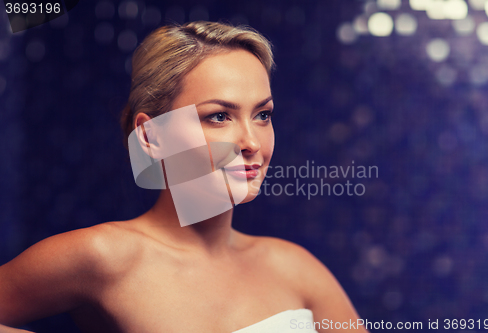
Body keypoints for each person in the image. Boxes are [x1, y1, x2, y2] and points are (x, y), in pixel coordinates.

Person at [0, 21, 367, 333]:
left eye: (263, 115)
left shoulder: (295, 268)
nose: (252, 142)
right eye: (219, 116)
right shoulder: (102, 257)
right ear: (151, 136)